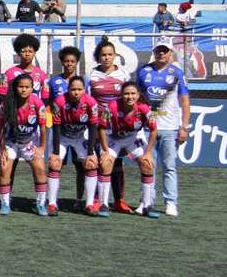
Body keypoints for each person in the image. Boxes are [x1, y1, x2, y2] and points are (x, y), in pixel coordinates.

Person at [136, 37, 190, 217]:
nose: (161, 53)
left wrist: (184, 127)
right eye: (158, 50)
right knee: (147, 165)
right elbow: (136, 98)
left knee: (169, 166)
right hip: (146, 127)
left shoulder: (177, 72)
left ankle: (170, 202)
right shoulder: (143, 71)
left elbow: (184, 100)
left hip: (170, 127)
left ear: (170, 53)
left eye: (164, 50)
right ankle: (146, 201)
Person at [97, 82, 160, 218]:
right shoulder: (111, 107)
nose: (129, 97)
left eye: (133, 94)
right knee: (106, 164)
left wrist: (148, 153)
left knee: (147, 165)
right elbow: (101, 128)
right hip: (113, 138)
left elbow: (154, 129)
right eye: (126, 93)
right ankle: (104, 204)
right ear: (121, 95)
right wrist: (105, 150)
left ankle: (147, 206)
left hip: (133, 138)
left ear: (138, 95)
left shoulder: (145, 109)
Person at [88, 36, 132, 213]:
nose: (106, 57)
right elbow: (88, 100)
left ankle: (120, 200)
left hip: (118, 126)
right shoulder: (91, 75)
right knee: (101, 161)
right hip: (99, 126)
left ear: (115, 56)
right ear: (98, 57)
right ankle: (98, 199)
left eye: (110, 54)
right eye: (103, 55)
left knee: (118, 163)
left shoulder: (123, 74)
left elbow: (130, 98)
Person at [0, 73, 49, 215]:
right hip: (10, 143)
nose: (24, 90)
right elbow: (0, 127)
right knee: (5, 168)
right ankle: (5, 203)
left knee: (40, 168)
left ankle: (40, 204)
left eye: (27, 87)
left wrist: (42, 147)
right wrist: (2, 149)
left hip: (29, 142)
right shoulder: (6, 104)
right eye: (21, 87)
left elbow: (43, 128)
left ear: (32, 88)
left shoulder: (38, 103)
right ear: (15, 88)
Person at [48, 76, 100, 216]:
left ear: (84, 90)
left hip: (79, 136)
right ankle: (52, 204)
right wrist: (56, 152)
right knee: (55, 164)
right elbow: (56, 127)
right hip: (62, 136)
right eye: (73, 89)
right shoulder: (59, 101)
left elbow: (93, 126)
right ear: (68, 90)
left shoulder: (90, 102)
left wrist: (90, 151)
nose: (76, 92)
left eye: (79, 89)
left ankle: (89, 204)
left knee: (91, 163)